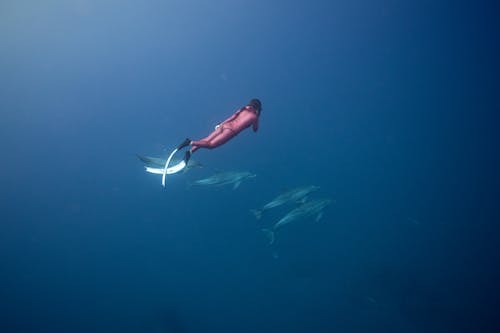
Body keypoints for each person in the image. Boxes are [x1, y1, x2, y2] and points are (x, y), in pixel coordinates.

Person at [177, 98, 262, 164]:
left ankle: (190, 152)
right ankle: (189, 142)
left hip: (224, 125)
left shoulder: (243, 108)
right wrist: (257, 114)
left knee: (206, 140)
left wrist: (220, 124)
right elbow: (255, 129)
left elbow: (232, 117)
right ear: (257, 107)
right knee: (211, 145)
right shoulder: (255, 117)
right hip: (231, 131)